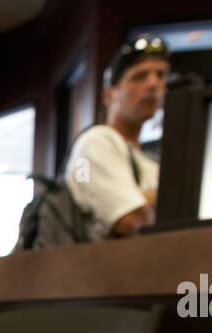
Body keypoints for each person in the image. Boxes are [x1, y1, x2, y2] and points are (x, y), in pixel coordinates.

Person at [64, 36, 169, 241]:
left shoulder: (149, 161)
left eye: (161, 75)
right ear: (110, 95)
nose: (153, 84)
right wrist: (151, 199)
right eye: (139, 76)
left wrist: (146, 198)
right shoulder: (97, 142)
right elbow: (131, 221)